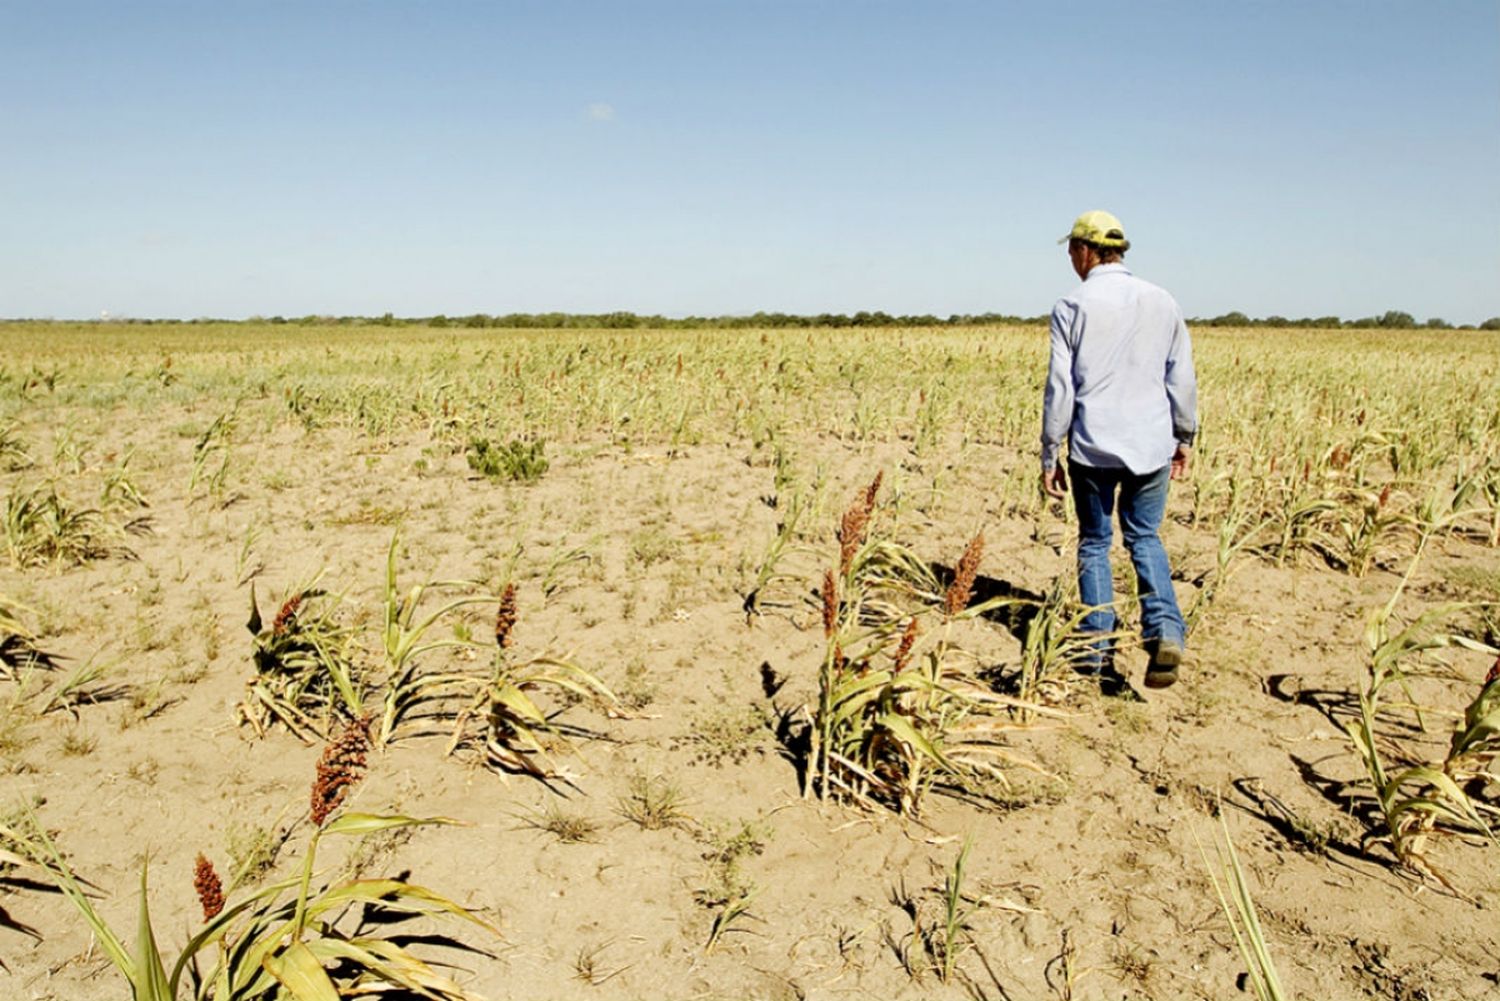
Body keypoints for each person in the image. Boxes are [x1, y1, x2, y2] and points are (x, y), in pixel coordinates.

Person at [1040, 210, 1197, 689]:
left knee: (1094, 542)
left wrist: (1050, 450)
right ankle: (1165, 631)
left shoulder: (1072, 305)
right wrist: (1184, 435)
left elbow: (1060, 389)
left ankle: (1094, 649)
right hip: (1151, 444)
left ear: (1086, 251)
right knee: (1144, 538)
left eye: (1071, 249)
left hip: (1093, 447)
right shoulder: (1162, 299)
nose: (1070, 258)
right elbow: (1181, 376)